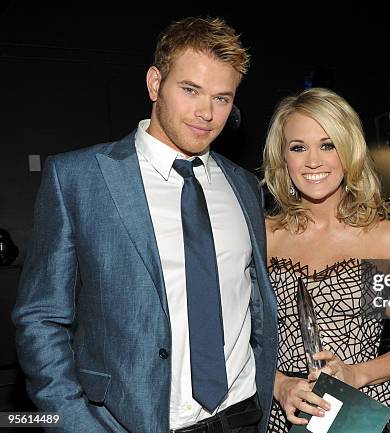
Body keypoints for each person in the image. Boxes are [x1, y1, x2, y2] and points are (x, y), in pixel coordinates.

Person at [12, 17, 277, 433]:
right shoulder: (79, 178)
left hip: (242, 415)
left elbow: (254, 305)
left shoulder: (244, 186)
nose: (206, 113)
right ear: (155, 84)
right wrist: (75, 422)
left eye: (222, 98)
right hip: (128, 422)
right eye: (190, 90)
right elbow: (41, 318)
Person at [262, 87, 390, 433]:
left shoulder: (386, 239)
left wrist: (357, 374)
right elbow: (237, 337)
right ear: (283, 157)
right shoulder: (263, 236)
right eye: (298, 147)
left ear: (348, 151)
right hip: (287, 415)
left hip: (366, 413)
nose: (313, 161)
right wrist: (279, 383)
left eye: (327, 145)